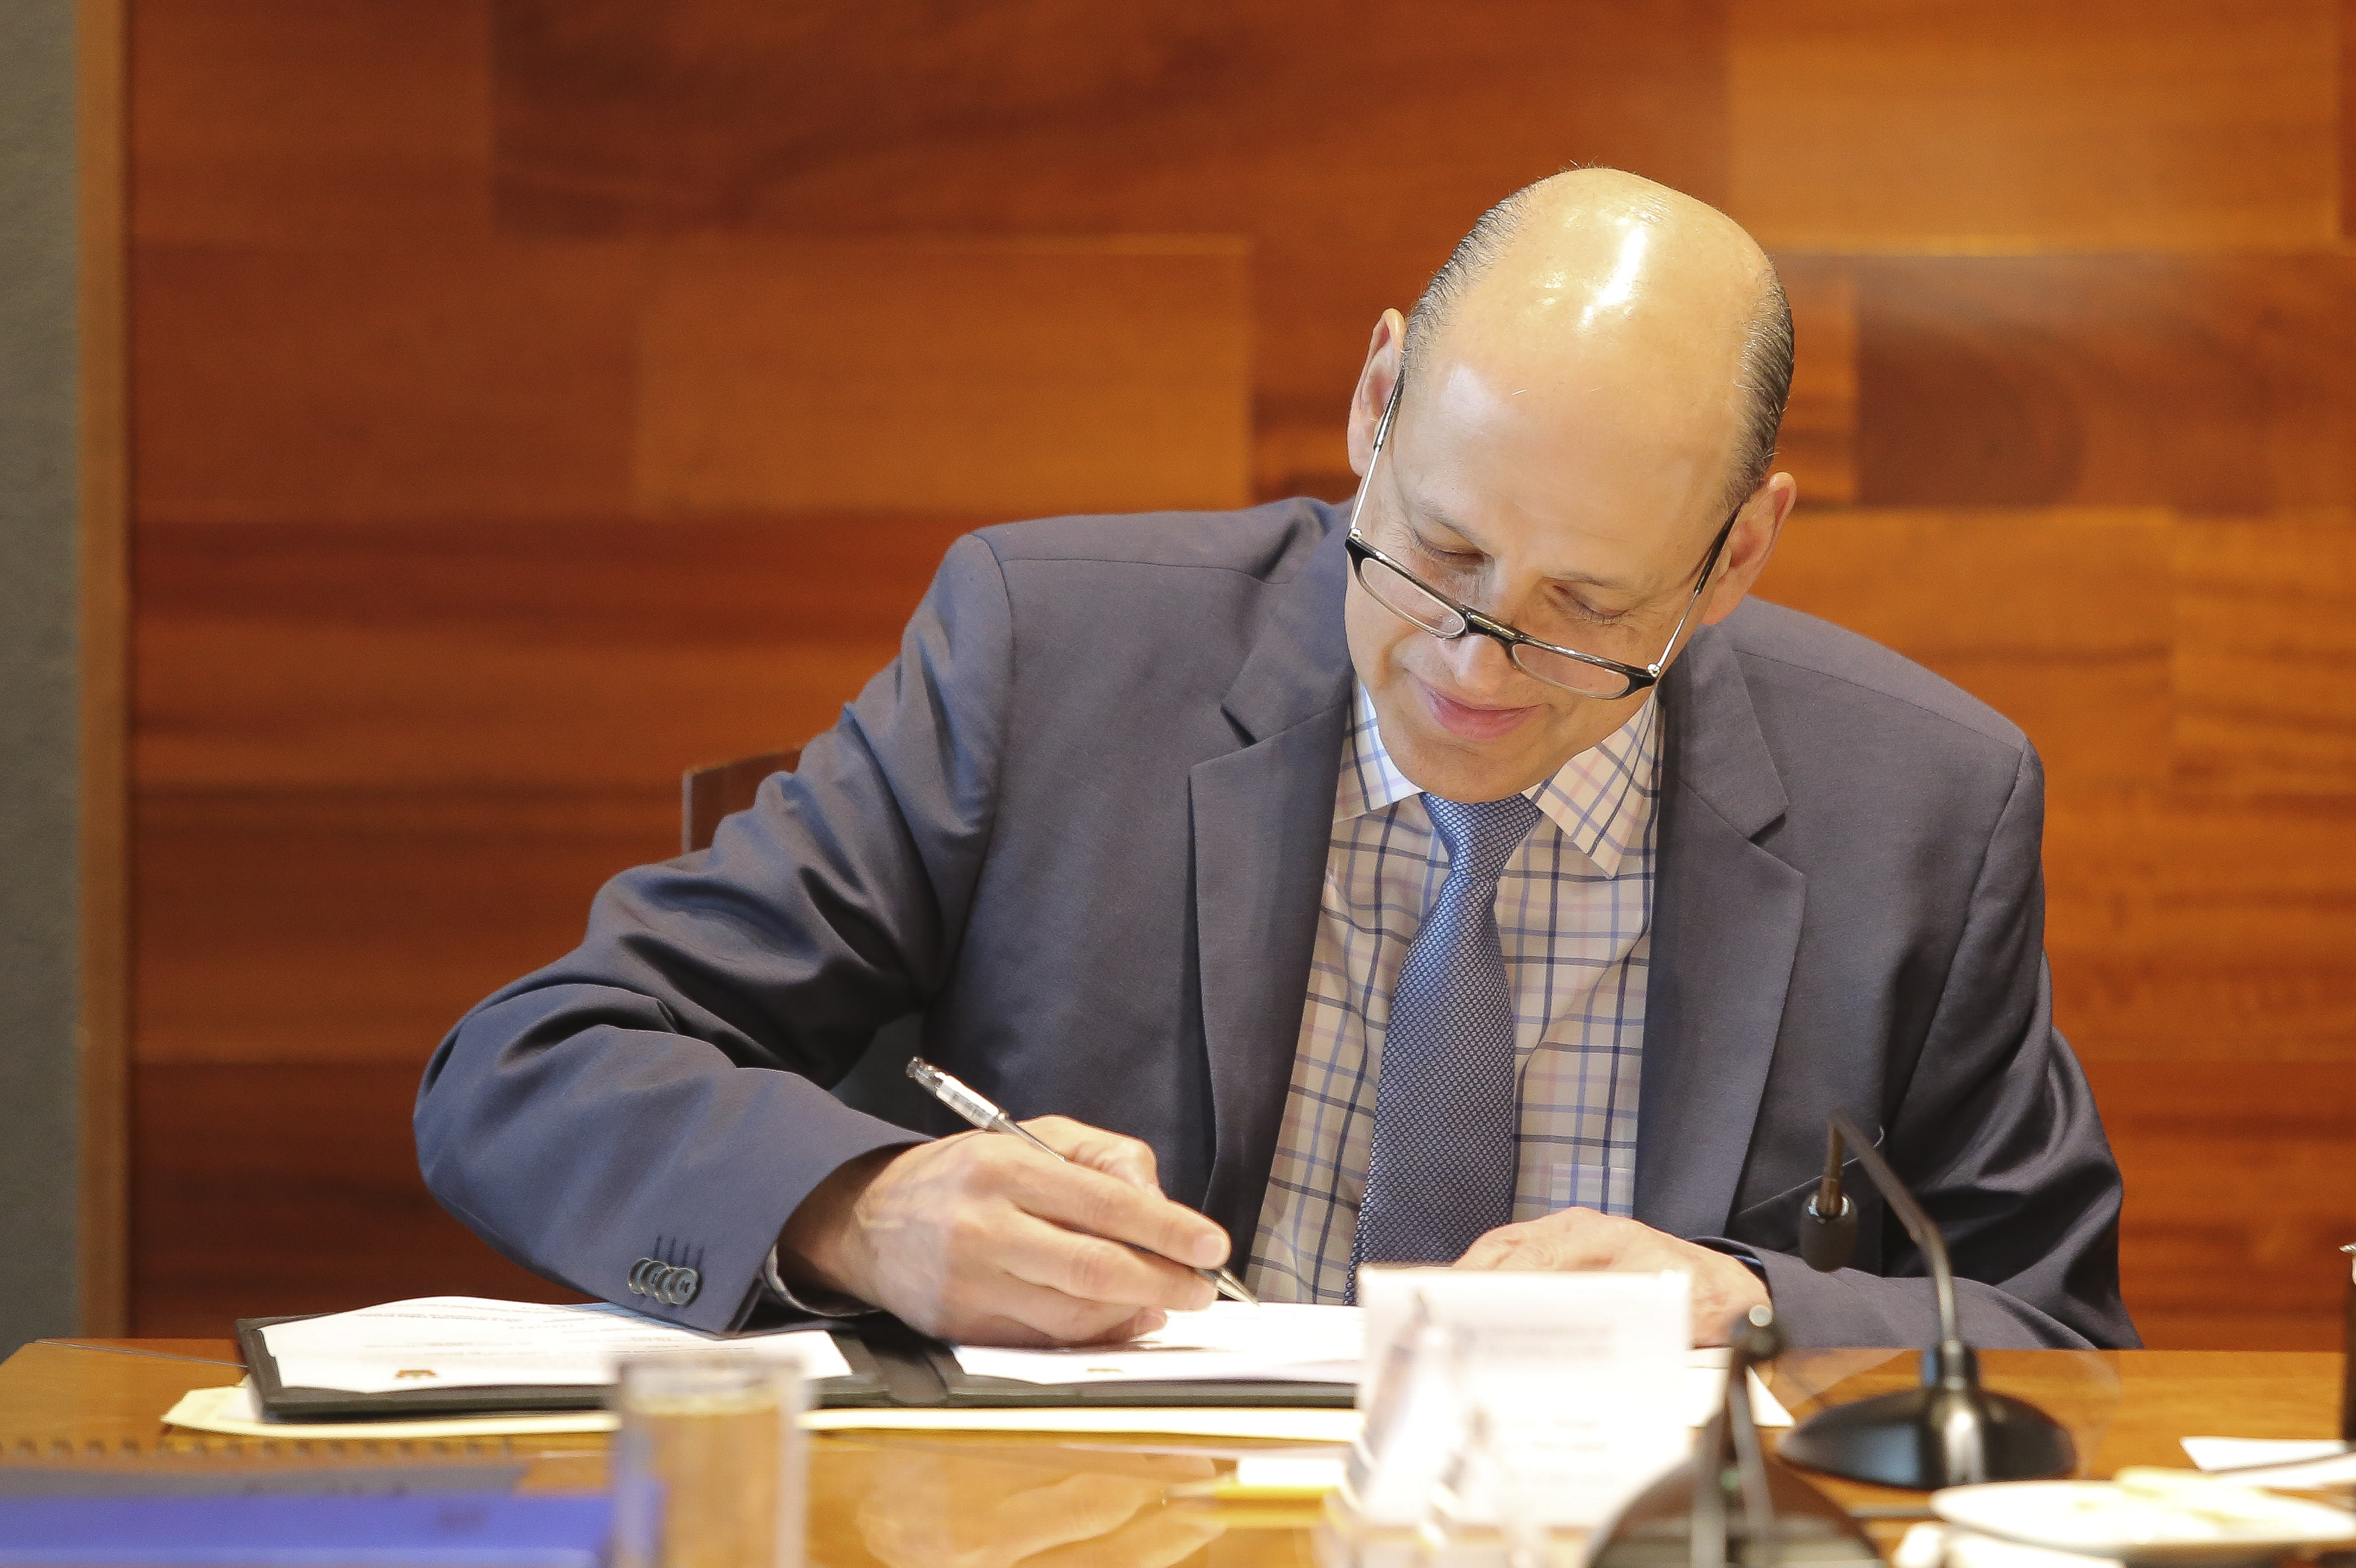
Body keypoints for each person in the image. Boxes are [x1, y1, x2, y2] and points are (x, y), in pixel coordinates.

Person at [415, 169, 2136, 1352]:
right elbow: (530, 1066)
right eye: (1440, 558)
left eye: (1586, 607)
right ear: (1376, 402)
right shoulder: (1049, 653)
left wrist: (1750, 1305)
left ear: (1741, 556)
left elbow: (2051, 1326)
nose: (1476, 664)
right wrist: (858, 1209)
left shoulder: (1920, 805)